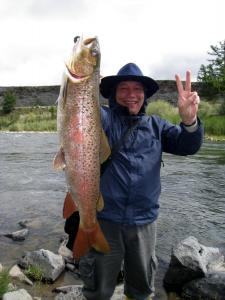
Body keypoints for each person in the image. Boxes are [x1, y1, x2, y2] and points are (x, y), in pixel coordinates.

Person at [72, 63, 204, 300]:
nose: (131, 95)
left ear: (144, 95)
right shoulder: (102, 119)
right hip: (105, 220)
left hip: (144, 222)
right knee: (98, 288)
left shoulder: (157, 126)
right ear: (113, 94)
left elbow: (188, 146)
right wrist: (85, 85)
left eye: (137, 89)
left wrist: (189, 121)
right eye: (123, 89)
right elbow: (80, 112)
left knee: (141, 289)